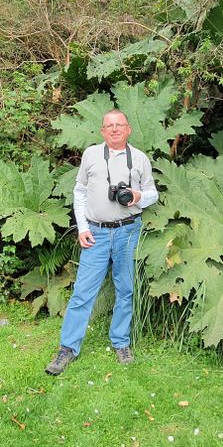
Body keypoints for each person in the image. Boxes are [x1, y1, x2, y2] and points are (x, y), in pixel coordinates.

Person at [45, 109, 158, 376]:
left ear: (128, 129)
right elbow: (80, 192)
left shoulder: (140, 158)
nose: (115, 129)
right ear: (102, 131)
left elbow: (153, 193)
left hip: (128, 232)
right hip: (95, 232)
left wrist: (138, 196)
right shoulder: (91, 155)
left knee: (126, 290)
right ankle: (67, 349)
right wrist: (82, 227)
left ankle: (121, 343)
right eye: (109, 125)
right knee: (83, 292)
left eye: (120, 125)